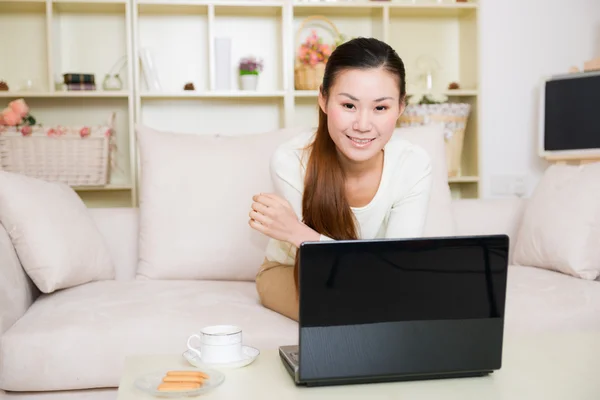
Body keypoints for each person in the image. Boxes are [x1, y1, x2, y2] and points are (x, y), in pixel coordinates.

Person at [248, 37, 433, 321]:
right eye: (349, 105)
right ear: (323, 99)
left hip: (377, 280)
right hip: (296, 271)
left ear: (400, 107)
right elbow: (319, 265)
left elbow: (396, 267)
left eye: (380, 108)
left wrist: (297, 232)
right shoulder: (291, 160)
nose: (362, 125)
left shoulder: (413, 164)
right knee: (351, 307)